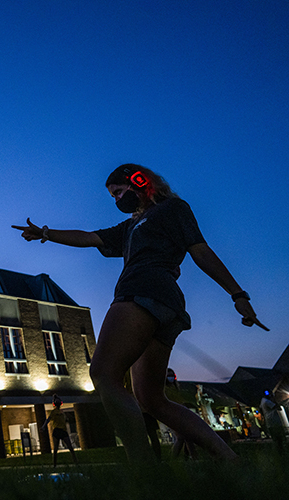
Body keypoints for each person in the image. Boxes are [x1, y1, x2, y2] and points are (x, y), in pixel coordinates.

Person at [13, 164, 268, 465]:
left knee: (103, 373)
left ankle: (144, 473)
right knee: (150, 398)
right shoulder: (131, 226)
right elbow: (90, 237)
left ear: (138, 181)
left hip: (143, 293)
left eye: (118, 192)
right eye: (112, 196)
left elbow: (200, 250)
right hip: (162, 304)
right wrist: (46, 233)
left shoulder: (172, 208)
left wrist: (237, 294)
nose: (117, 200)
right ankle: (230, 461)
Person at [164, 368, 198, 460]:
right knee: (181, 437)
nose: (170, 378)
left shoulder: (175, 388)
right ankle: (175, 458)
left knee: (185, 436)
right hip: (172, 414)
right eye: (168, 376)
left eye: (172, 376)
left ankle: (189, 457)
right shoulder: (165, 389)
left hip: (179, 413)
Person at [40, 394, 78, 469]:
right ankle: (54, 465)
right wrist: (43, 426)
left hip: (63, 431)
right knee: (56, 449)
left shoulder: (62, 412)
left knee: (70, 447)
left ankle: (76, 462)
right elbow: (48, 419)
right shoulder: (54, 412)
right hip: (57, 430)